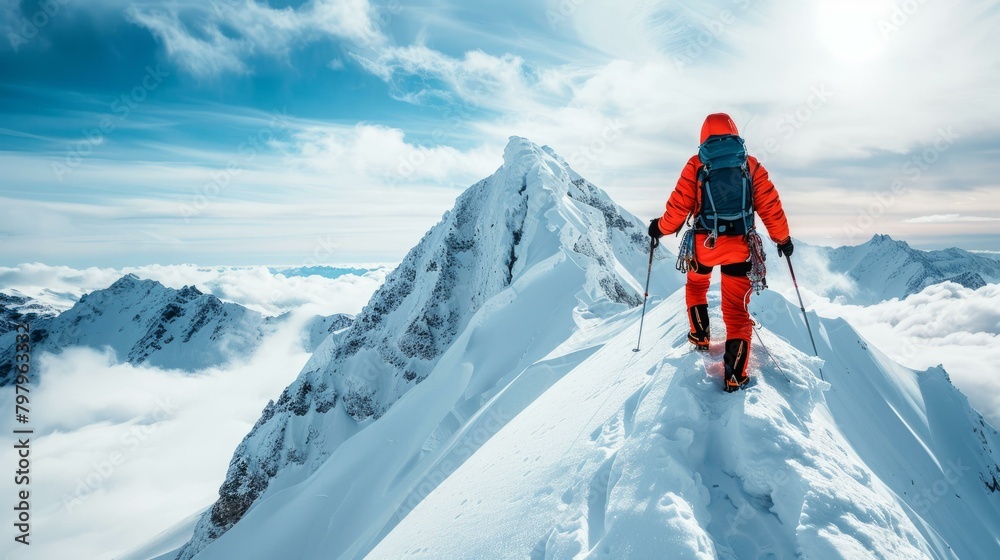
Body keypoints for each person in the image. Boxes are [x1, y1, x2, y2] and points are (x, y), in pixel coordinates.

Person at [648, 113, 792, 392]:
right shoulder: (750, 165)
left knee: (696, 285)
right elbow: (771, 207)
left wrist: (659, 228)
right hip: (740, 246)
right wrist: (782, 239)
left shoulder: (696, 165)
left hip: (704, 246)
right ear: (735, 134)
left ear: (704, 137)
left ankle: (700, 336)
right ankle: (735, 375)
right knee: (736, 311)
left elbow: (677, 210)